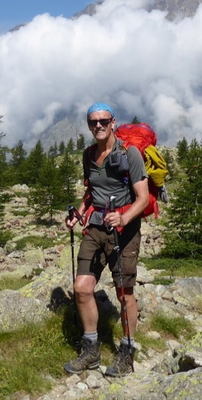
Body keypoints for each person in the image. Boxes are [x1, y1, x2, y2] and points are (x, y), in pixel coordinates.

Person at [64, 102, 150, 377]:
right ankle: (91, 349)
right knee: (81, 288)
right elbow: (91, 192)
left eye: (103, 121)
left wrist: (124, 219)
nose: (98, 125)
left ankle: (127, 350)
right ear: (89, 125)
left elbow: (143, 198)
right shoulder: (89, 155)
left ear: (113, 122)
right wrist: (78, 213)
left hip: (124, 231)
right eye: (93, 122)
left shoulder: (129, 153)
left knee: (124, 293)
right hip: (95, 227)